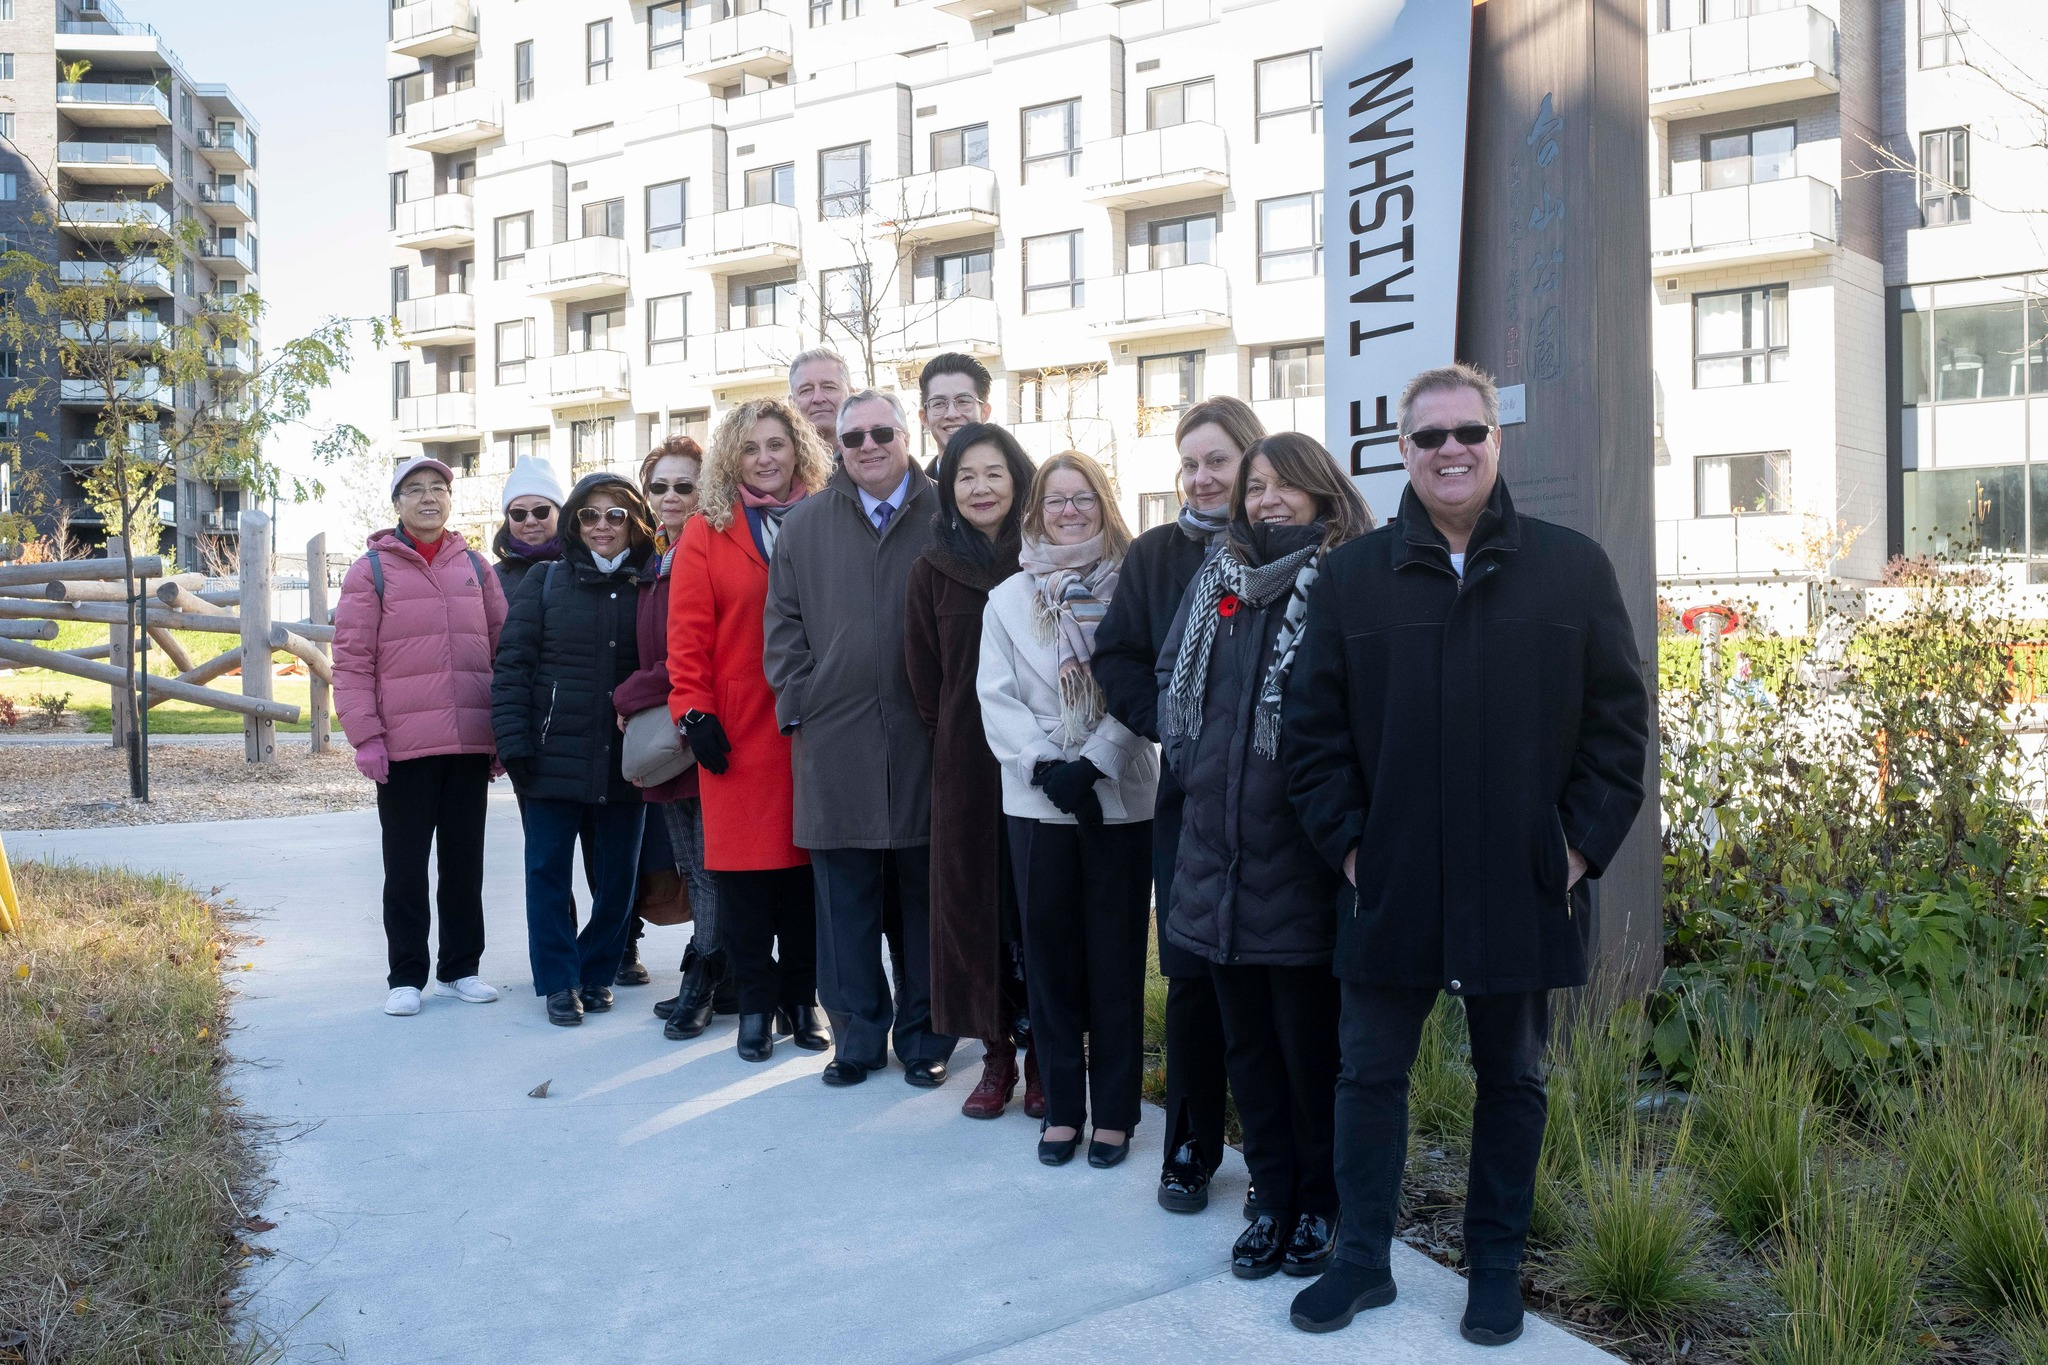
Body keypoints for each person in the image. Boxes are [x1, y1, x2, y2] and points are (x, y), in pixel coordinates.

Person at [1282, 364, 1651, 1345]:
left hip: (1522, 881)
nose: (1450, 449)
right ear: (1399, 451)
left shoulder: (1570, 568)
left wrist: (1574, 852)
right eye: (1428, 436)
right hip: (1388, 882)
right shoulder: (1351, 576)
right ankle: (1360, 1260)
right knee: (1365, 1076)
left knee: (1513, 1080)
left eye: (1468, 432)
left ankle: (1495, 1268)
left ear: (1497, 443)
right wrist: (1352, 849)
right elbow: (1308, 732)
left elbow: (1617, 729)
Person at [1157, 434, 1374, 1281]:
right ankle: (1275, 1198)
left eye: (1286, 485)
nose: (1267, 500)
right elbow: (1174, 677)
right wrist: (1190, 759)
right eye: (1257, 486)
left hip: (1303, 864)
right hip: (1214, 865)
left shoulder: (1347, 579)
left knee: (1309, 1052)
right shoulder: (1220, 577)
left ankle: (1320, 1202)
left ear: (1323, 491)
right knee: (1248, 1054)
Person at [1092, 394, 1264, 1213]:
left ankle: (1275, 1152)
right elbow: (1118, 655)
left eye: (1217, 462)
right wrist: (1177, 724)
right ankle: (1192, 1145)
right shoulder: (1158, 554)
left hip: (1277, 809)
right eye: (1189, 464)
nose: (1200, 478)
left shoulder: (1290, 550)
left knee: (1274, 986)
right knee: (1192, 978)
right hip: (1190, 804)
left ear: (1251, 463)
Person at [763, 388, 955, 1088]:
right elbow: (782, 624)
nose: (868, 447)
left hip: (926, 741)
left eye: (882, 432)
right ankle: (857, 1038)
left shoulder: (947, 512)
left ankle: (928, 1034)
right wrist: (801, 702)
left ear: (906, 435)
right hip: (834, 744)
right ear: (836, 448)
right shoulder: (807, 522)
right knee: (843, 908)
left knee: (923, 904)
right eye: (853, 438)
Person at [977, 451, 1158, 1169]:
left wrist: (1097, 761)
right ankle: (1061, 1105)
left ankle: (1113, 1112)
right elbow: (995, 697)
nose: (1070, 510)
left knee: (1115, 961)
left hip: (1120, 796)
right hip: (1037, 802)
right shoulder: (1008, 599)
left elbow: (1148, 682)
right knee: (1049, 962)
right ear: (1036, 511)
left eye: (1083, 497)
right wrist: (1049, 765)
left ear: (1104, 503)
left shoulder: (1135, 586)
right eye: (1056, 500)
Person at [669, 399, 833, 1062]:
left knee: (803, 877)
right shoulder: (708, 529)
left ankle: (803, 998)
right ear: (730, 458)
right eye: (750, 447)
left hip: (814, 723)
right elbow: (688, 632)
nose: (766, 458)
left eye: (777, 444)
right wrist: (693, 710)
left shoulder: (826, 517)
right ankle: (756, 1008)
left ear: (798, 448)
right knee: (742, 882)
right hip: (736, 728)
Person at [334, 455, 509, 1018]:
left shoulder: (476, 568)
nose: (429, 497)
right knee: (405, 866)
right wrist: (366, 736)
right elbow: (352, 660)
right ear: (398, 503)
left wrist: (502, 731)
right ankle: (406, 975)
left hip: (468, 742)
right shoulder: (372, 571)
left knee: (465, 862)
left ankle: (461, 968)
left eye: (438, 488)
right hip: (405, 747)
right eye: (415, 489)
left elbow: (504, 651)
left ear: (450, 500)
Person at [903, 422, 1040, 1120]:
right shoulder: (933, 568)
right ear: (949, 489)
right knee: (976, 911)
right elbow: (925, 683)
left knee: (1038, 907)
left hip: (1048, 763)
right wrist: (963, 738)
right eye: (965, 476)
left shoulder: (1048, 554)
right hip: (966, 768)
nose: (980, 487)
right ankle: (995, 1057)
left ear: (1017, 479)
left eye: (993, 473)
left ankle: (1046, 1051)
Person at [492, 473, 659, 1028]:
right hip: (548, 756)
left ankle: (597, 970)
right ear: (574, 523)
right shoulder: (544, 581)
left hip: (625, 760)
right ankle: (559, 981)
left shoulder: (651, 585)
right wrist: (514, 744)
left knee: (617, 879)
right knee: (546, 872)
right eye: (590, 515)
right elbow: (512, 667)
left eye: (616, 515)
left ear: (635, 522)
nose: (602, 525)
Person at [612, 436, 725, 1023]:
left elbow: (695, 648)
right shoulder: (658, 554)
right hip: (670, 725)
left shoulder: (706, 549)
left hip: (701, 724)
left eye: (686, 485)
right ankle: (718, 970)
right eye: (660, 486)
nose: (672, 496)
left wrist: (631, 693)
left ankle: (704, 980)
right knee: (692, 864)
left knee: (709, 866)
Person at [492, 453, 567, 599]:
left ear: (560, 513)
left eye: (541, 511)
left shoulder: (585, 571)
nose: (530, 521)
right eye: (519, 513)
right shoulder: (491, 580)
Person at [916, 353, 992, 472]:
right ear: (924, 418)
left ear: (984, 412)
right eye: (939, 403)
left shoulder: (1022, 485)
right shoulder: (914, 490)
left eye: (963, 401)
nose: (951, 414)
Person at [788, 348, 851, 451]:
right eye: (806, 390)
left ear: (850, 395)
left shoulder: (874, 454)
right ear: (791, 403)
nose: (818, 398)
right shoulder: (779, 464)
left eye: (829, 387)